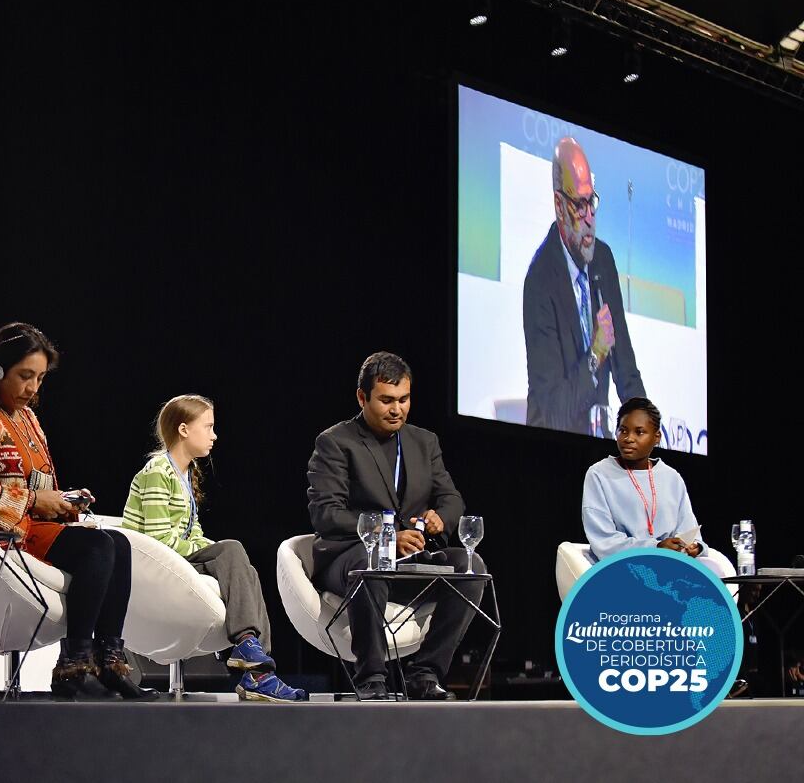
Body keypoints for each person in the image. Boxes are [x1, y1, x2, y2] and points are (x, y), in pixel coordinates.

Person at [0, 322, 156, 701]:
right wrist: (35, 501)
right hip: (2, 537)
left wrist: (64, 501)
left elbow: (36, 488)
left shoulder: (28, 420)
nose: (33, 388)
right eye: (25, 376)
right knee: (98, 547)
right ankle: (73, 667)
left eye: (40, 378)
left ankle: (109, 664)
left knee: (118, 544)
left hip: (33, 529)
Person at [307, 352, 485, 701]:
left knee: (471, 567)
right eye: (386, 400)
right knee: (372, 563)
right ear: (362, 397)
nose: (397, 410)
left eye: (404, 400)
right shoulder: (336, 442)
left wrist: (440, 518)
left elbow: (451, 499)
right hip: (351, 558)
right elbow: (326, 514)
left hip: (409, 561)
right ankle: (371, 677)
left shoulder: (424, 442)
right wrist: (387, 536)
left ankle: (425, 673)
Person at [124, 394, 306, 702]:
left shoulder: (185, 473)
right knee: (231, 550)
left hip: (174, 559)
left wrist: (215, 551)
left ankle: (258, 672)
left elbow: (192, 532)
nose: (214, 435)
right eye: (208, 427)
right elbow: (158, 540)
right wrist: (216, 551)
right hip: (152, 564)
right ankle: (251, 655)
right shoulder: (158, 472)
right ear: (184, 430)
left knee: (243, 568)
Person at [523, 136, 645, 435]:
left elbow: (626, 369)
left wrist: (646, 427)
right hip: (549, 442)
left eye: (591, 202)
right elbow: (554, 412)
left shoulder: (602, 259)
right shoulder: (540, 282)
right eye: (579, 205)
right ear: (559, 205)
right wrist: (596, 353)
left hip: (597, 437)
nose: (589, 218)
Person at [582, 396, 709, 564]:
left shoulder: (672, 477)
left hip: (670, 566)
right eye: (623, 430)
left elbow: (689, 529)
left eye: (639, 432)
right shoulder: (599, 474)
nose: (629, 438)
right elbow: (604, 542)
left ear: (657, 437)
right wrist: (655, 548)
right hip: (622, 567)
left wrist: (695, 546)